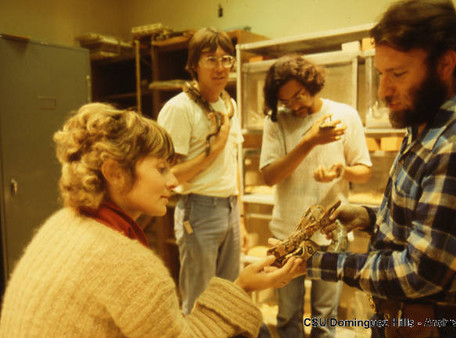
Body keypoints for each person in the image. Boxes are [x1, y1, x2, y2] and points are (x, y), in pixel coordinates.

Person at [0, 103, 303, 337]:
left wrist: (240, 284)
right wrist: (242, 289)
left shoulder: (62, 223)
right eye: (161, 169)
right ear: (114, 172)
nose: (174, 181)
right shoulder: (125, 261)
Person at [307, 1, 456, 337]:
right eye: (382, 74)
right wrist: (369, 217)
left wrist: (315, 263)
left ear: (445, 64)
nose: (383, 91)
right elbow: (424, 219)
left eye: (398, 74)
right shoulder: (426, 126)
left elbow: (419, 274)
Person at [260, 54, 372, 337]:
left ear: (312, 84)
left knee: (324, 319)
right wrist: (310, 141)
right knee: (287, 317)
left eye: (298, 95)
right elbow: (270, 175)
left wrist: (341, 171)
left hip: (331, 235)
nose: (294, 105)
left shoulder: (345, 115)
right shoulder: (276, 121)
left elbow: (364, 171)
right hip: (287, 235)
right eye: (286, 101)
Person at [156, 27, 248, 316]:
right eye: (210, 59)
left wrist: (241, 218)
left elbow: (232, 165)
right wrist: (214, 148)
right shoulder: (179, 109)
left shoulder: (228, 104)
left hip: (230, 208)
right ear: (194, 64)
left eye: (226, 59)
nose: (220, 67)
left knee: (229, 298)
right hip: (199, 210)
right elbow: (167, 177)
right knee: (200, 303)